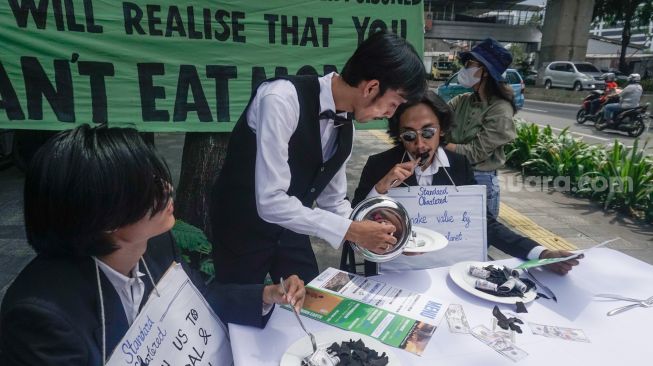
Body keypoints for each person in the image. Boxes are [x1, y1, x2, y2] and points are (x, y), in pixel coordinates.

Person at [0, 125, 306, 365]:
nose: (168, 190)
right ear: (107, 219)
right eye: (149, 189)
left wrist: (265, 296)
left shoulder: (154, 242)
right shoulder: (41, 320)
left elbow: (198, 298)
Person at [210, 31, 426, 285]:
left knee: (315, 303)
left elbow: (333, 202)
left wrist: (383, 238)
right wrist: (351, 231)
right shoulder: (281, 99)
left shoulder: (346, 126)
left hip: (291, 229)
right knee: (241, 313)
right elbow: (270, 201)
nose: (392, 114)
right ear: (371, 87)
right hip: (241, 228)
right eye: (394, 104)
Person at [348, 90, 581, 276]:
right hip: (394, 271)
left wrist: (540, 253)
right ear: (399, 135)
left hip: (448, 271)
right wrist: (380, 188)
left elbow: (485, 225)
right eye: (409, 136)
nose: (420, 145)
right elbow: (352, 223)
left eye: (428, 132)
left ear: (442, 130)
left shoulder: (459, 165)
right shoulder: (380, 165)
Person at [444, 38, 516, 219]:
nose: (464, 68)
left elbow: (475, 153)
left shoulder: (500, 109)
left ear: (484, 71)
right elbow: (436, 122)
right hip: (451, 175)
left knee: (477, 241)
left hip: (480, 181)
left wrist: (440, 144)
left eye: (469, 64)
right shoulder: (462, 101)